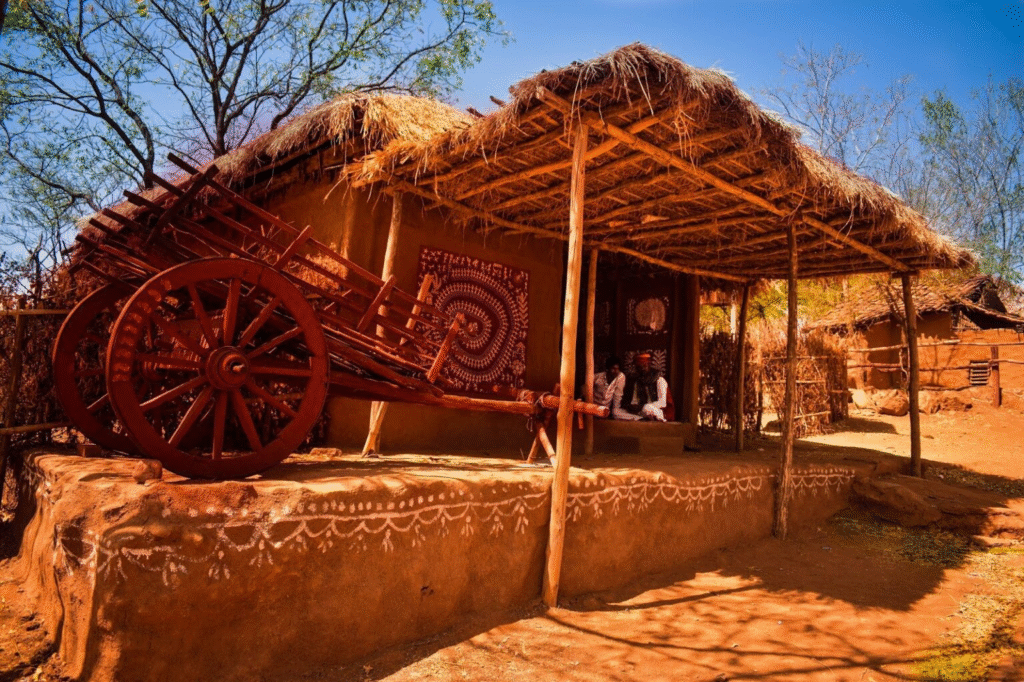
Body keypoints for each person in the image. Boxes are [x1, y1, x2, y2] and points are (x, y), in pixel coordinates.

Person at [593, 356, 639, 421]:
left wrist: (615, 410)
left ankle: (639, 419)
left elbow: (618, 395)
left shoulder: (620, 377)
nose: (616, 371)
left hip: (605, 410)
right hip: (593, 407)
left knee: (616, 412)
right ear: (608, 368)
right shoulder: (597, 377)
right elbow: (584, 390)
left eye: (618, 369)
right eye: (613, 368)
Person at [629, 352, 670, 421]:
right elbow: (634, 401)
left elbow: (663, 403)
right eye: (639, 367)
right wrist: (633, 407)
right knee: (618, 411)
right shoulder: (637, 382)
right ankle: (641, 418)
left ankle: (656, 418)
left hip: (660, 411)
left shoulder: (659, 379)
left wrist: (645, 406)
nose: (642, 369)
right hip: (643, 410)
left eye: (644, 365)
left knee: (647, 408)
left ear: (649, 365)